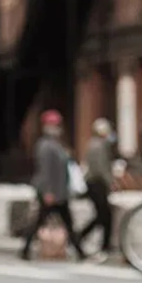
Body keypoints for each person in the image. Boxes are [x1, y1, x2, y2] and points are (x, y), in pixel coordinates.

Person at [19, 110, 86, 262]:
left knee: (65, 223)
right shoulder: (45, 146)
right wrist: (48, 192)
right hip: (51, 193)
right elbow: (46, 170)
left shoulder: (56, 145)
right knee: (41, 222)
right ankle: (25, 249)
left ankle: (80, 252)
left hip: (59, 192)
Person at [78, 118, 118, 262]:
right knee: (104, 215)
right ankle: (98, 243)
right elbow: (101, 168)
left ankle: (84, 238)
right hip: (97, 184)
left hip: (94, 183)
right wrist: (111, 182)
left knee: (102, 215)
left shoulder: (94, 144)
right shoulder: (99, 146)